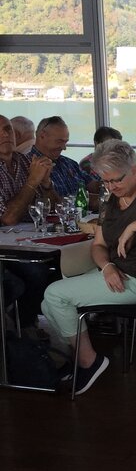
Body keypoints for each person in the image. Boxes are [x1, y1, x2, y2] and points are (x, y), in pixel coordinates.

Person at [41, 139, 136, 395]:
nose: (111, 187)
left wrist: (133, 227)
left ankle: (89, 362)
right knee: (47, 303)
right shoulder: (111, 203)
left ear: (134, 170)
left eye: (116, 180)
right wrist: (106, 266)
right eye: (105, 181)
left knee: (54, 295)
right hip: (116, 272)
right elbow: (98, 245)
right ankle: (82, 358)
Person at [0, 114, 58, 333]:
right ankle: (22, 329)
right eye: (0, 131)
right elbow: (8, 218)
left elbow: (54, 209)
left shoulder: (26, 162)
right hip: (5, 249)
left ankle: (29, 323)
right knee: (36, 272)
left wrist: (47, 183)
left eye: (8, 129)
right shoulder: (29, 169)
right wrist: (33, 181)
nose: (5, 135)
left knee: (62, 266)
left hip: (30, 239)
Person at [26, 116, 99, 199]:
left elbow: (93, 185)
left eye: (65, 142)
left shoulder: (69, 163)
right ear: (42, 136)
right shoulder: (27, 166)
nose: (64, 147)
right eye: (59, 141)